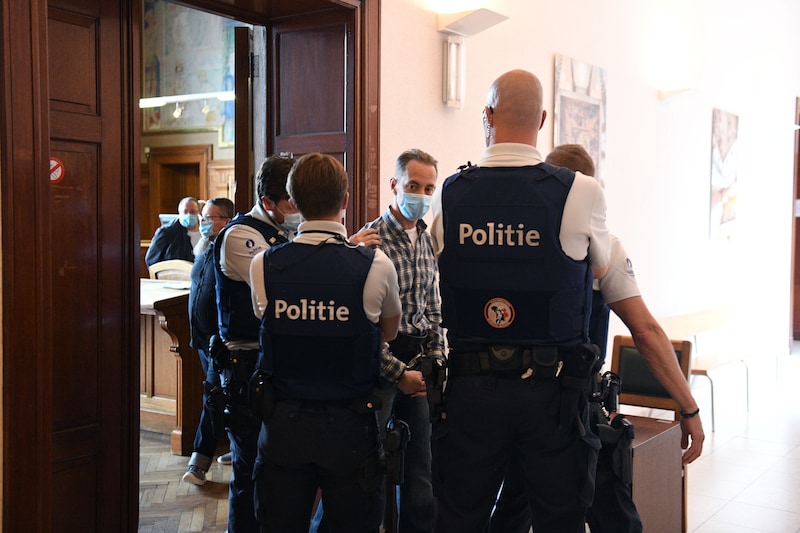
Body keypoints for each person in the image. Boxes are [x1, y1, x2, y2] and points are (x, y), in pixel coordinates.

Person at [487, 144, 706, 533]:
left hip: (506, 402)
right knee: (611, 509)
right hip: (571, 406)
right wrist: (688, 409)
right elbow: (646, 331)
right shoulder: (602, 245)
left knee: (513, 506)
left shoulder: (505, 236)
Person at [429, 69, 611, 533]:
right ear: (543, 119)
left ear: (487, 115)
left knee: (460, 518)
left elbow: (440, 263)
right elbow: (599, 270)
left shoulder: (450, 192)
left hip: (471, 391)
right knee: (559, 520)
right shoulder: (581, 191)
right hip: (553, 396)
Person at [249, 152, 402, 532]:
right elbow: (388, 333)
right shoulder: (376, 264)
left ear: (293, 201)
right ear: (345, 199)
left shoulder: (263, 265)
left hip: (284, 426)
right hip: (350, 428)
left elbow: (268, 324)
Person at [213, 155, 301, 532]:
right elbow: (281, 287)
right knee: (249, 467)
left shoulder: (285, 231)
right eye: (292, 204)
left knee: (279, 471)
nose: (299, 212)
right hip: (244, 367)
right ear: (268, 201)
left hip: (277, 364)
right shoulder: (240, 235)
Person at [360, 148, 444, 533]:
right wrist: (398, 374)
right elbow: (363, 327)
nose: (420, 195)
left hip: (420, 363)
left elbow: (433, 307)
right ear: (394, 184)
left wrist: (436, 360)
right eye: (413, 185)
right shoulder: (370, 242)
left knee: (420, 468)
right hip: (382, 366)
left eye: (428, 188)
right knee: (366, 464)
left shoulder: (426, 239)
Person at [182, 197, 235, 486]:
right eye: (203, 217)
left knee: (213, 398)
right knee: (222, 396)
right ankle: (237, 447)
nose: (203, 222)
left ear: (226, 221)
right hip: (201, 339)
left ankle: (199, 463)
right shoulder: (204, 249)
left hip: (219, 341)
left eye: (209, 218)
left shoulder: (230, 251)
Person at [145, 196, 201, 267]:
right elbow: (152, 260)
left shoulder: (205, 233)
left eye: (192, 212)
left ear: (199, 212)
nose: (189, 215)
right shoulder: (166, 232)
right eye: (185, 212)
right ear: (179, 212)